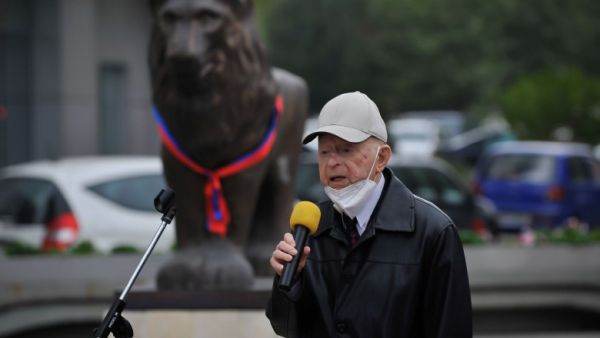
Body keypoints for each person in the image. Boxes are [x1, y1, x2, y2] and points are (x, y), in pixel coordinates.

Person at [266, 91, 472, 338]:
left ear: (382, 157)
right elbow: (285, 326)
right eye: (324, 152)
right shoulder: (310, 226)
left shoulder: (432, 231)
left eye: (345, 150)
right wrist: (289, 282)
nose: (332, 162)